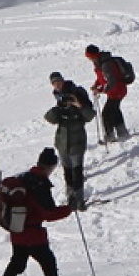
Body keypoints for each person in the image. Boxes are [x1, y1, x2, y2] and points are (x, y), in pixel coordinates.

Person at [0, 148, 77, 276]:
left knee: (17, 263)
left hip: (17, 230)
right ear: (50, 167)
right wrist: (69, 209)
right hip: (33, 234)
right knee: (48, 261)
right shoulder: (40, 184)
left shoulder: (24, 178)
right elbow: (48, 214)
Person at [45, 71, 95, 209]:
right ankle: (70, 198)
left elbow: (90, 116)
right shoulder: (58, 97)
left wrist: (79, 105)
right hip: (62, 142)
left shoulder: (76, 92)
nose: (57, 85)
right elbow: (49, 118)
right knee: (67, 172)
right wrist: (58, 108)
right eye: (54, 83)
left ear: (63, 80)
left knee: (77, 172)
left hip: (77, 141)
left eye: (58, 82)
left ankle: (79, 200)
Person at [84, 44, 130, 142]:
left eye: (89, 57)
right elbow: (102, 78)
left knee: (106, 113)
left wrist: (100, 90)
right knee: (115, 110)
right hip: (117, 90)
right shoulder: (101, 62)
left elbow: (111, 81)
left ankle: (110, 135)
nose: (89, 59)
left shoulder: (105, 64)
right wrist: (96, 85)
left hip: (117, 90)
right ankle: (122, 132)